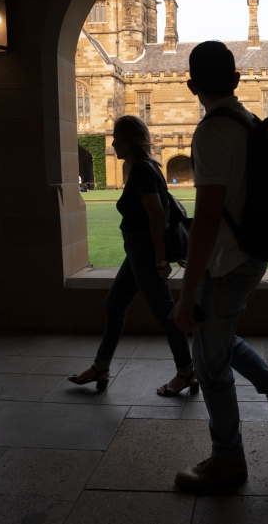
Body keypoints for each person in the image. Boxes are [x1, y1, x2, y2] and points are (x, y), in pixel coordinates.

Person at [169, 41, 268, 494]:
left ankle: (228, 460)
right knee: (220, 340)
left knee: (209, 364)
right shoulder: (249, 121)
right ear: (236, 80)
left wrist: (187, 289)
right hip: (251, 252)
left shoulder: (212, 130)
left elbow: (208, 216)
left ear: (192, 85)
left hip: (229, 260)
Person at [68, 115, 197, 398]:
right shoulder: (148, 166)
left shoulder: (141, 169)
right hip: (137, 250)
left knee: (166, 314)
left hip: (144, 251)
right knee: (115, 304)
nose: (112, 143)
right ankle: (101, 366)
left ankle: (186, 371)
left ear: (128, 141)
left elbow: (157, 215)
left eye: (117, 138)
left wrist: (160, 260)